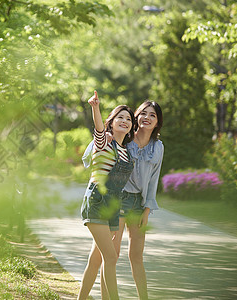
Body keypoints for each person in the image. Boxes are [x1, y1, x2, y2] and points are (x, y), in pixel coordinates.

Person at [78, 101, 164, 300]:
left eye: (152, 115)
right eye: (143, 113)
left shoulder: (152, 147)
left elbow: (154, 179)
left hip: (133, 203)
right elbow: (99, 137)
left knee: (123, 257)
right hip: (112, 200)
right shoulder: (117, 139)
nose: (147, 118)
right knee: (108, 256)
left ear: (158, 121)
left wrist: (147, 209)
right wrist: (96, 109)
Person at [79, 90, 136, 300]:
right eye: (120, 117)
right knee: (111, 258)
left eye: (128, 119)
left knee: (97, 260)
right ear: (111, 122)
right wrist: (95, 108)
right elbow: (99, 130)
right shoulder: (103, 143)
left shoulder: (126, 150)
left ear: (131, 126)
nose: (124, 120)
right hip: (96, 201)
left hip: (112, 206)